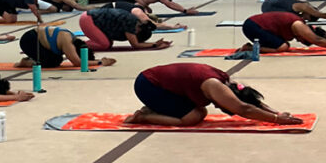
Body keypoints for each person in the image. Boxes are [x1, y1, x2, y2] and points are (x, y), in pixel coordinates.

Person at [127, 63, 301, 128]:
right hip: (148, 85)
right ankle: (143, 117)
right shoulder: (215, 85)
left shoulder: (228, 83)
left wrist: (276, 112)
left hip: (157, 81)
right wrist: (276, 120)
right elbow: (244, 109)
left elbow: (251, 101)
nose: (217, 106)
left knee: (200, 111)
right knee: (192, 117)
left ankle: (155, 109)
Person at [17, 23, 115, 69]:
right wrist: (100, 62)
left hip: (38, 39)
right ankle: (26, 62)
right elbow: (77, 62)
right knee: (52, 63)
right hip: (29, 40)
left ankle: (32, 58)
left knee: (57, 59)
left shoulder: (73, 40)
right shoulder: (68, 43)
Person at [79, 7, 172, 52]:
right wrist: (154, 44)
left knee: (108, 44)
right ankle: (77, 45)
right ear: (138, 31)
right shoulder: (131, 23)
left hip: (94, 20)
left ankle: (83, 43)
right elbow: (135, 45)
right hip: (88, 19)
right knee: (104, 45)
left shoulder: (136, 22)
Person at [240, 12, 326, 51]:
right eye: (301, 40)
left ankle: (252, 47)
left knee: (284, 44)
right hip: (253, 26)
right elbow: (317, 40)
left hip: (254, 25)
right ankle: (250, 48)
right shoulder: (299, 25)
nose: (297, 40)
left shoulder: (299, 25)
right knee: (283, 47)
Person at [260, 0, 326, 20]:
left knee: (296, 18)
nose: (304, 18)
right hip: (269, 7)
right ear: (309, 13)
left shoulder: (301, 3)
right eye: (306, 17)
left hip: (269, 4)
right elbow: (319, 14)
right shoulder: (304, 6)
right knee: (295, 19)